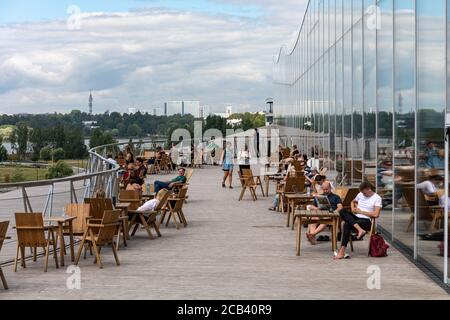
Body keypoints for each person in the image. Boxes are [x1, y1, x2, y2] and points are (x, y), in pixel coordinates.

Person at [334, 182, 382, 260]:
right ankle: (360, 230)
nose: (363, 194)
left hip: (366, 221)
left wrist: (361, 212)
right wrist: (353, 209)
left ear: (369, 189)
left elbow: (376, 214)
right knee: (341, 210)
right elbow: (352, 201)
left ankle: (341, 252)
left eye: (364, 193)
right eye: (362, 193)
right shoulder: (360, 194)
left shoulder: (377, 198)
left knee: (347, 224)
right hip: (356, 218)